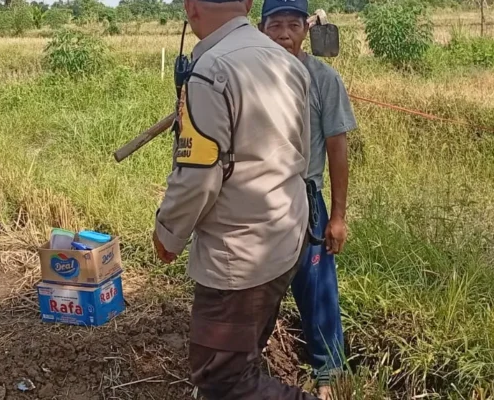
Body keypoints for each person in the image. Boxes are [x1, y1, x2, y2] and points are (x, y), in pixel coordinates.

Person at [151, 0, 316, 397]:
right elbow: (303, 156)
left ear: (191, 10)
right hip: (286, 238)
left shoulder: (210, 72)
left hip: (238, 258)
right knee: (245, 356)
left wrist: (168, 234)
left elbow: (198, 179)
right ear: (246, 4)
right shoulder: (288, 63)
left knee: (223, 381)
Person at [260, 2, 355, 399]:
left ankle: (328, 374)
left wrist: (337, 217)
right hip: (257, 198)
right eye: (275, 24)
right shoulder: (250, 77)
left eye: (292, 25)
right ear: (261, 29)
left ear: (305, 30)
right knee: (254, 286)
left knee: (317, 288)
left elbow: (337, 149)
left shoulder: (323, 79)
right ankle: (242, 364)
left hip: (305, 197)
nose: (284, 33)